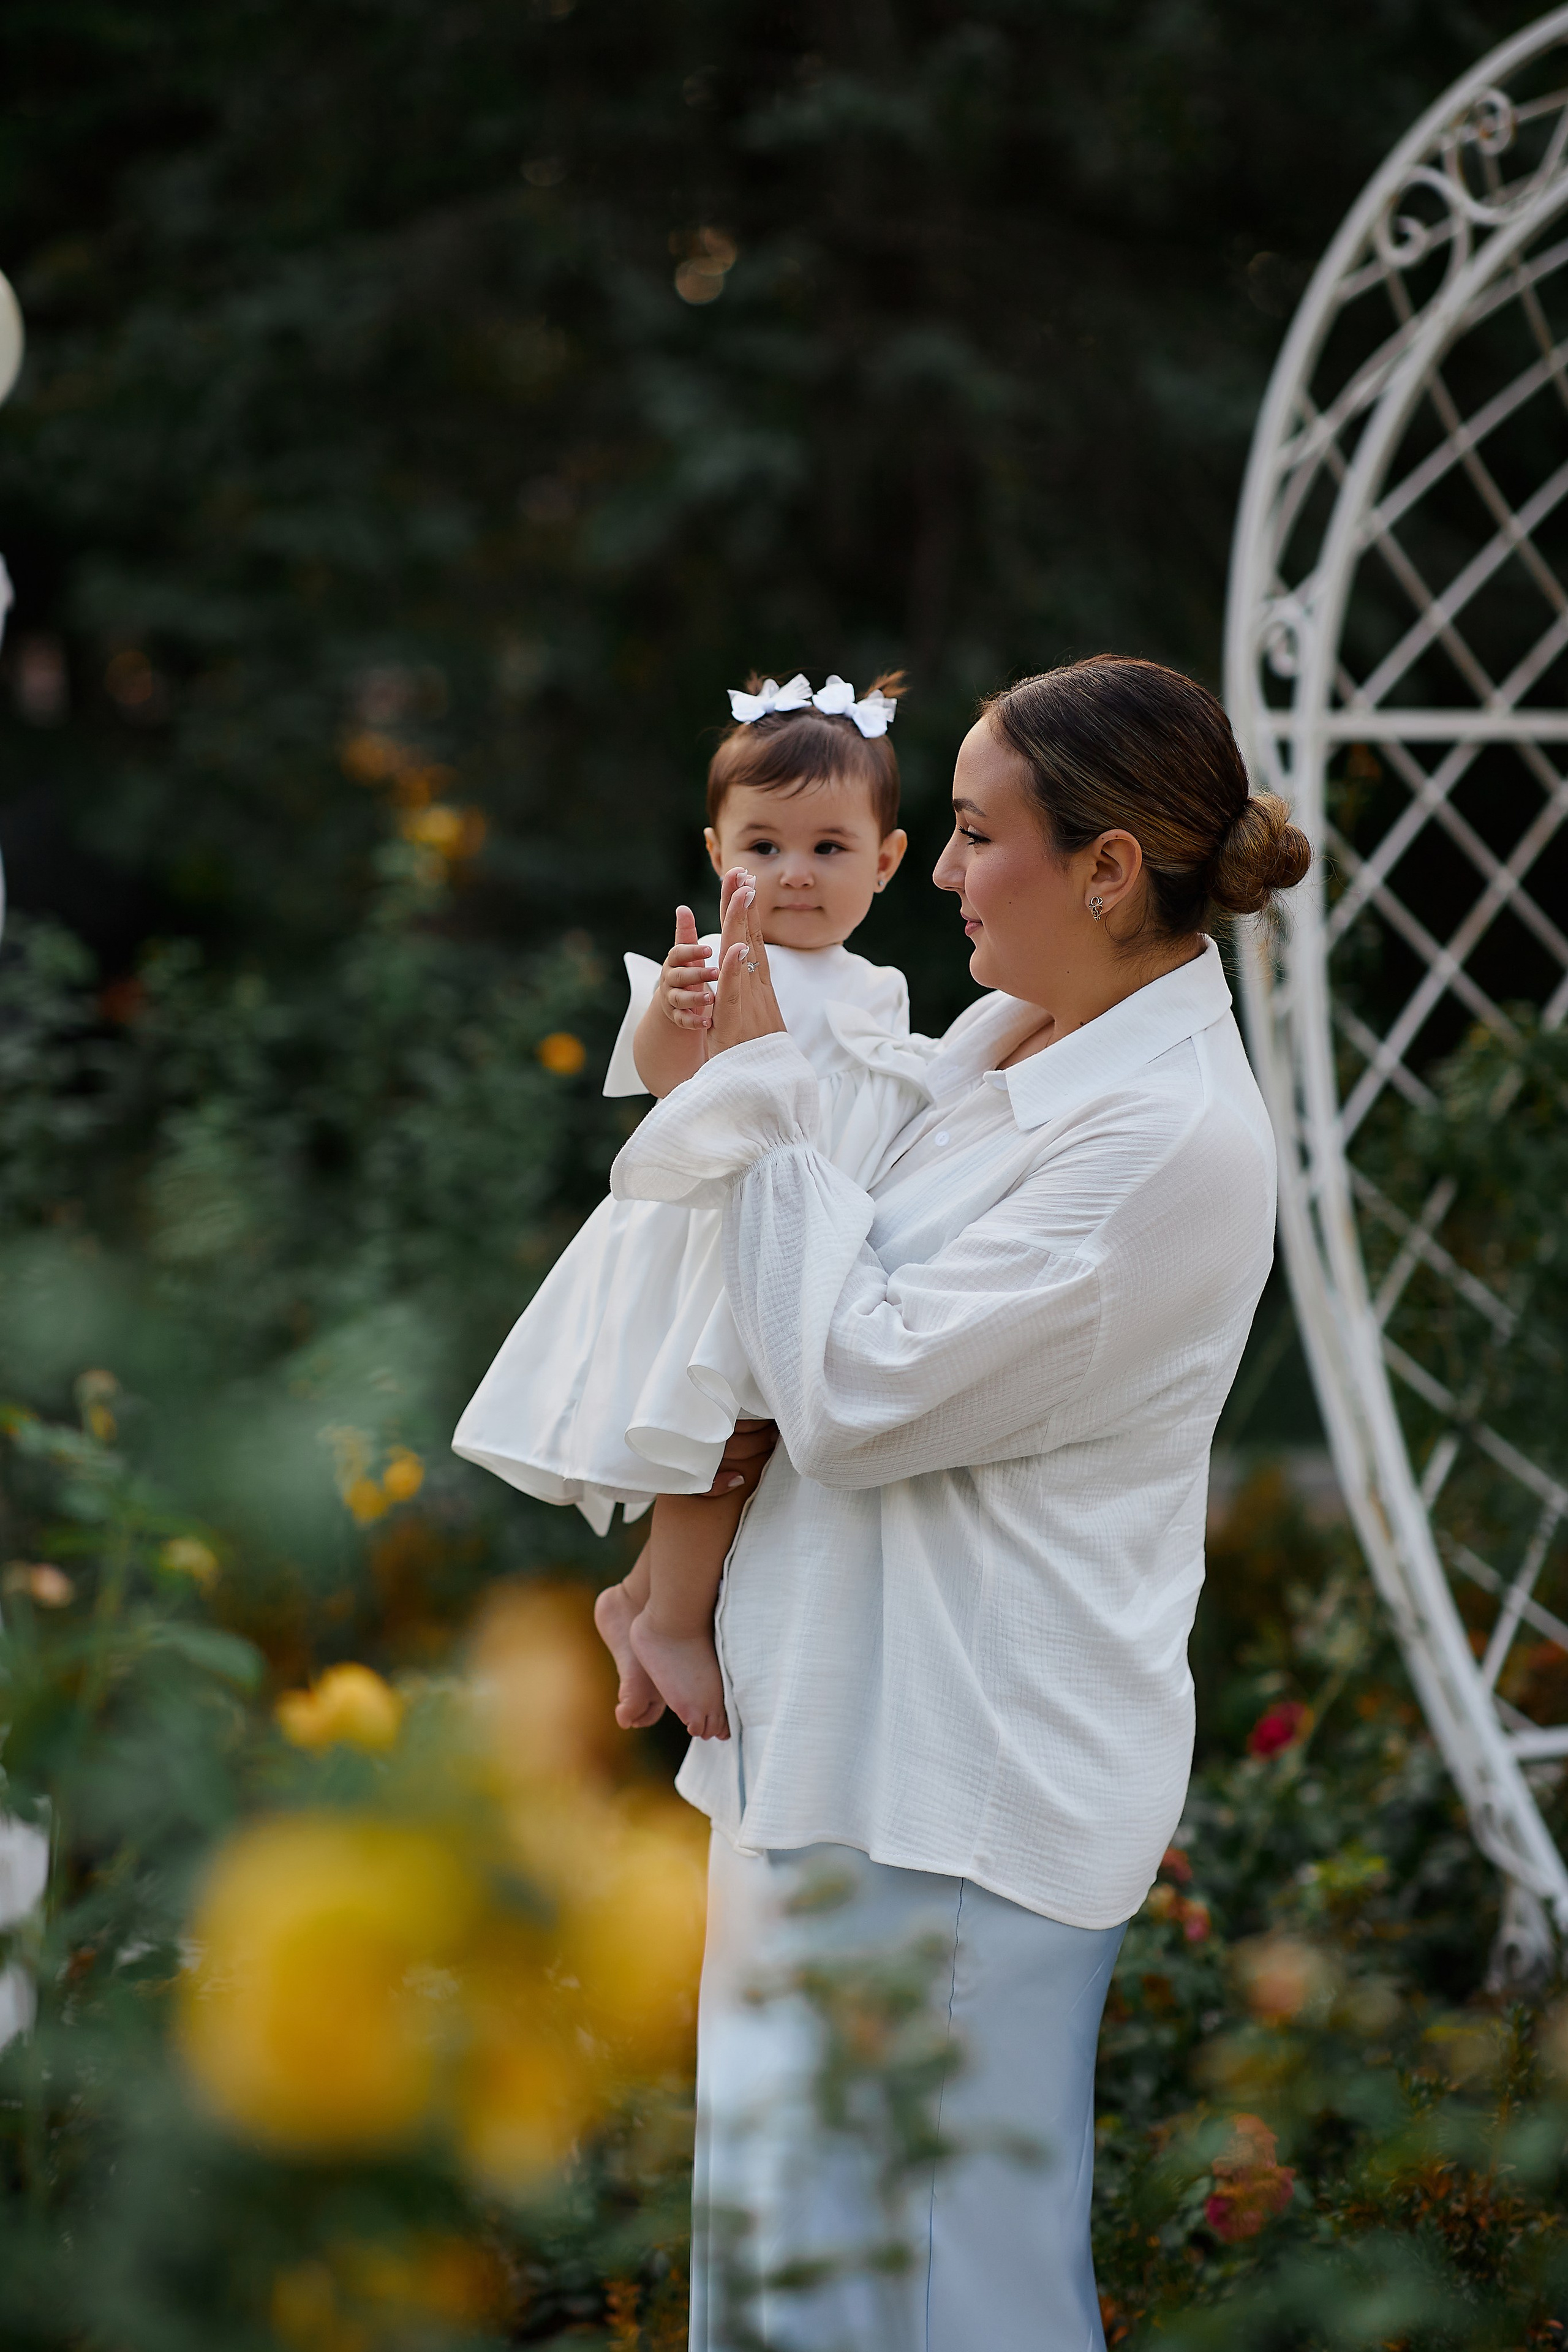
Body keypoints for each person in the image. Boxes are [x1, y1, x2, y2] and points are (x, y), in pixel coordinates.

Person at [611, 655, 1311, 2351]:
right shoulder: (997, 1049)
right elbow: (784, 1312)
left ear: (1106, 869)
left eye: (977, 834)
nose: (934, 872)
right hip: (830, 1752)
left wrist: (758, 1104)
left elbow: (854, 1393)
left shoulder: (1166, 1141)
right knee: (789, 2289)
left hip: (951, 1795)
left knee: (934, 2300)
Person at [452, 670, 921, 1739]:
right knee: (723, 1435)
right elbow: (669, 1081)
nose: (794, 873)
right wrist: (674, 1009)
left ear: (887, 861)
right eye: (763, 846)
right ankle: (669, 1619)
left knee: (750, 1437)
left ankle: (636, 1598)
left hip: (810, 1237)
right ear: (718, 856)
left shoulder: (879, 987)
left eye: (829, 847)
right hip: (715, 1242)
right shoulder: (713, 964)